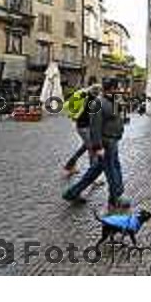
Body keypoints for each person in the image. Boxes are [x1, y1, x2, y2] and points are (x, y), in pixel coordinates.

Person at [62, 81, 131, 211]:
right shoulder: (97, 103)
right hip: (106, 143)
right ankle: (116, 198)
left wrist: (122, 113)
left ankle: (71, 193)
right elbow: (94, 127)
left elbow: (118, 117)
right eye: (117, 89)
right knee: (113, 170)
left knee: (94, 172)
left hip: (114, 140)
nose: (119, 91)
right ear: (109, 89)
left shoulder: (114, 102)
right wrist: (98, 147)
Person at [63, 84, 102, 177]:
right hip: (83, 127)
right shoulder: (85, 96)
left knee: (85, 147)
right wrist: (74, 115)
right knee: (92, 149)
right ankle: (92, 175)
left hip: (87, 126)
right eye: (98, 92)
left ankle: (69, 165)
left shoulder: (90, 97)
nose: (99, 94)